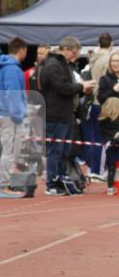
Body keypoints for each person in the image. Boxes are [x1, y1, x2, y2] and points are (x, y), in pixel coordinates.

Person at [39, 35, 95, 195]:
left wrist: (80, 88)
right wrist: (80, 86)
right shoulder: (53, 65)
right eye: (75, 52)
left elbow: (65, 87)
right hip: (55, 114)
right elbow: (62, 87)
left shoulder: (62, 65)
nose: (77, 56)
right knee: (56, 151)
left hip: (64, 114)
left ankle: (60, 180)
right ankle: (52, 184)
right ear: (68, 50)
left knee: (64, 151)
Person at [0, 37, 29, 197]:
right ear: (22, 50)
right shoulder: (13, 69)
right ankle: (4, 185)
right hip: (10, 115)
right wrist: (18, 115)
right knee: (9, 151)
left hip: (1, 111)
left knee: (7, 150)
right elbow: (12, 93)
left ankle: (5, 184)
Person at [98, 97, 119, 196]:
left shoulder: (102, 120)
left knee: (111, 166)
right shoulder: (117, 120)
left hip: (109, 145)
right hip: (115, 143)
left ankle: (110, 187)